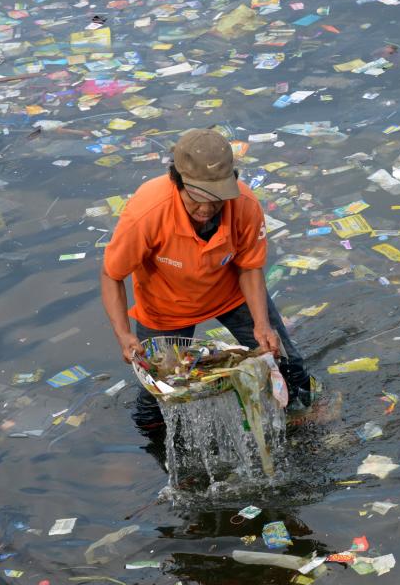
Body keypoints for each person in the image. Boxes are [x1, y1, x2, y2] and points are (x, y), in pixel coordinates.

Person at [99, 129, 313, 437]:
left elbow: (250, 268)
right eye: (196, 198)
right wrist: (123, 335)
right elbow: (112, 275)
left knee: (288, 365)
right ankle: (157, 444)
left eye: (216, 200)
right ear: (178, 181)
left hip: (231, 293)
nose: (205, 210)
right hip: (166, 307)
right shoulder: (146, 212)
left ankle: (301, 428)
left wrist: (262, 325)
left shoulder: (245, 205)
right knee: (158, 395)